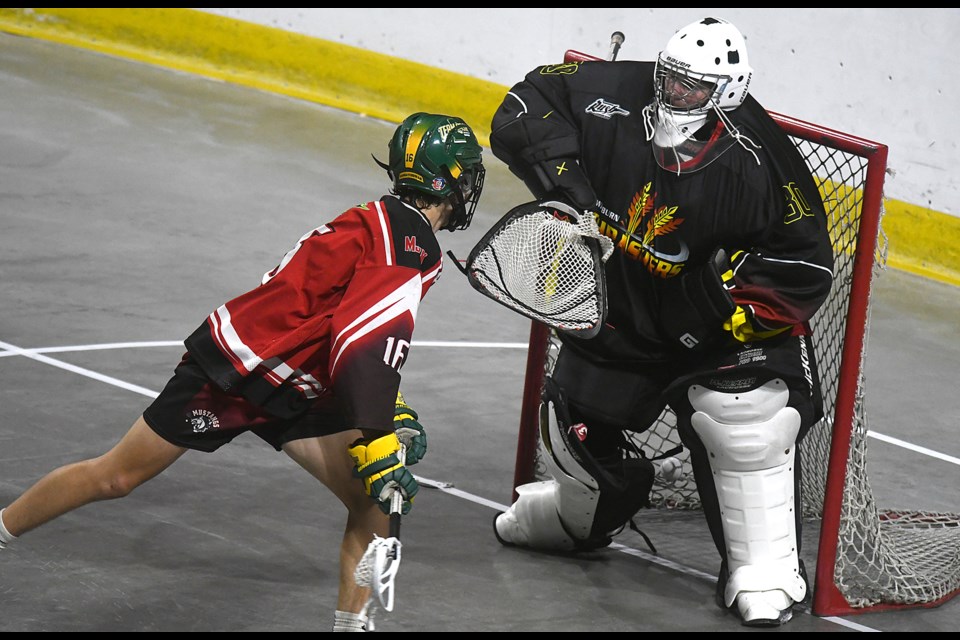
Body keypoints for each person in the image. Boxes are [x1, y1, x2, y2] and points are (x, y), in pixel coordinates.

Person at [0, 112, 486, 633]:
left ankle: (352, 627)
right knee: (117, 475)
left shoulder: (377, 219)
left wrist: (382, 403)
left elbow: (339, 321)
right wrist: (377, 431)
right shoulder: (412, 245)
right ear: (451, 180)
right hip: (238, 370)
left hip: (296, 376)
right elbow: (363, 340)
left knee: (374, 502)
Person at [486, 17, 833, 627]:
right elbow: (525, 104)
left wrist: (731, 312)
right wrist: (566, 190)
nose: (673, 93)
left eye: (692, 87)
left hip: (715, 335)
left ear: (726, 90)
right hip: (619, 318)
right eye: (669, 78)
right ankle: (568, 518)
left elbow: (804, 262)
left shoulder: (762, 161)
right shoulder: (614, 94)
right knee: (572, 438)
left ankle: (765, 568)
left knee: (747, 422)